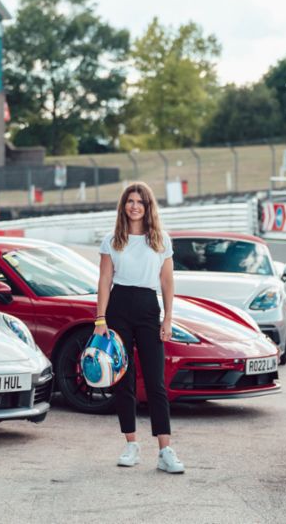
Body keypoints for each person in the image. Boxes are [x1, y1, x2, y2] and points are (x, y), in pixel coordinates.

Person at [96, 181, 184, 474]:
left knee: (156, 381)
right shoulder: (112, 240)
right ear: (123, 206)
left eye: (140, 202)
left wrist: (168, 319)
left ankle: (165, 450)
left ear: (148, 207)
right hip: (118, 306)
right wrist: (100, 319)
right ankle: (131, 444)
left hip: (148, 307)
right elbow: (104, 282)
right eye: (130, 201)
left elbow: (168, 283)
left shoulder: (160, 240)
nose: (134, 206)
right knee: (124, 379)